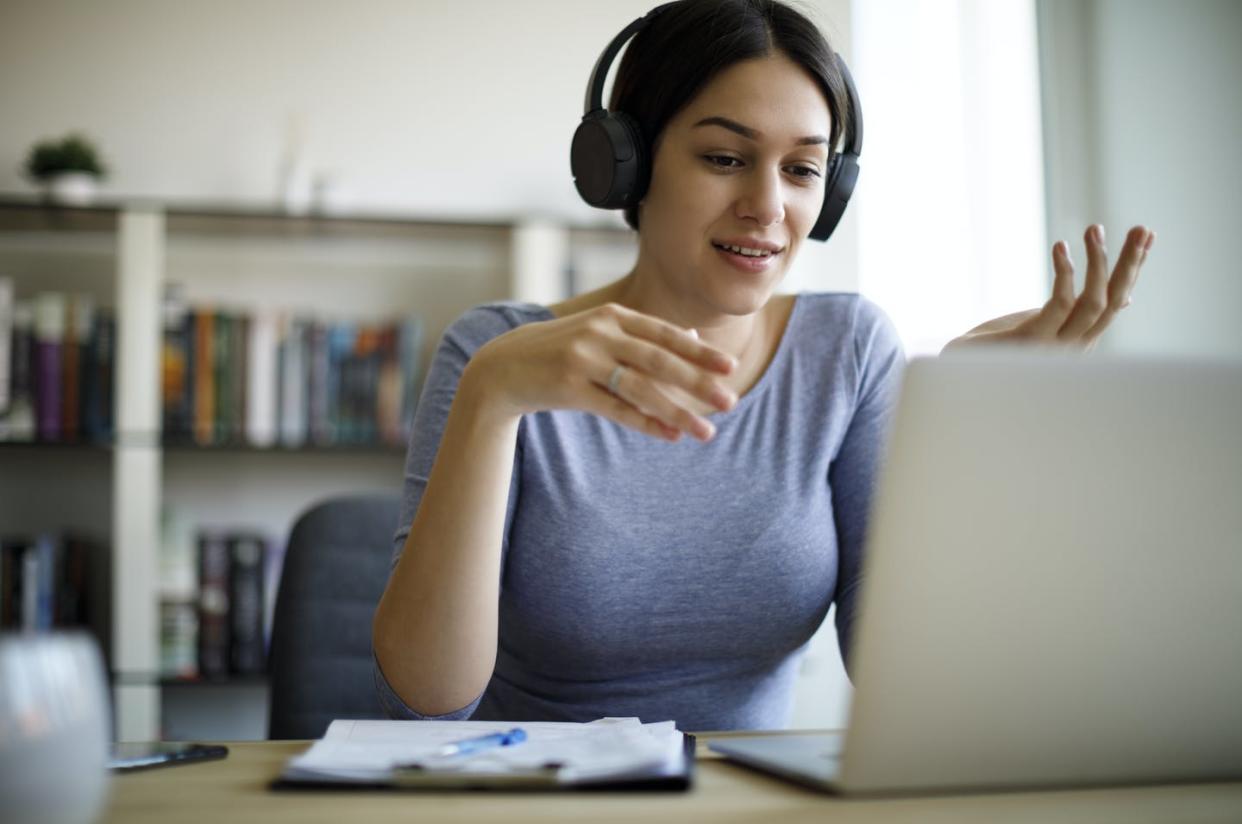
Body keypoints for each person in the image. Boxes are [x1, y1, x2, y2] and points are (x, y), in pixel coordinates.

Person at [371, 0, 1155, 730]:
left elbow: (907, 680)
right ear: (627, 165)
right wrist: (493, 398)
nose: (769, 207)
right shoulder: (495, 355)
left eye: (803, 169)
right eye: (724, 157)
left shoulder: (846, 352)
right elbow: (431, 691)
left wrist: (958, 439)